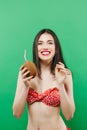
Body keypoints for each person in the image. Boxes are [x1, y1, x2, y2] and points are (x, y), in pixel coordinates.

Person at [12, 28, 75, 130]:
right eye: (40, 43)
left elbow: (69, 116)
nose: (45, 47)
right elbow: (16, 114)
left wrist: (60, 84)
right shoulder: (25, 73)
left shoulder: (65, 74)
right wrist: (25, 86)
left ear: (56, 48)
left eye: (50, 43)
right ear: (35, 48)